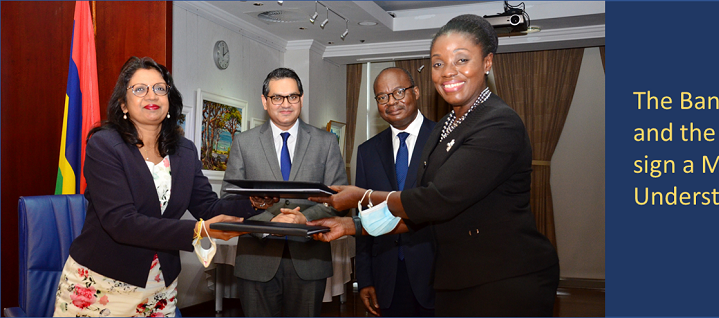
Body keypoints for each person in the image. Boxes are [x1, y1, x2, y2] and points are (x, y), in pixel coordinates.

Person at [308, 14, 559, 316]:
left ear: (487, 63)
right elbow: (420, 217)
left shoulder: (499, 123)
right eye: (438, 64)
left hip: (503, 279)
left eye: (462, 60)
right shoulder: (446, 128)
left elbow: (437, 201)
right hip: (456, 278)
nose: (448, 72)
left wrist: (360, 196)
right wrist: (350, 225)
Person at [53, 56, 269, 317]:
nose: (150, 95)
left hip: (160, 288)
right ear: (123, 103)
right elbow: (122, 222)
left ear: (168, 100)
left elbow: (208, 206)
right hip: (103, 285)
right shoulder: (104, 146)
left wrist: (256, 201)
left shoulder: (185, 151)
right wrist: (198, 230)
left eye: (159, 88)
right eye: (139, 89)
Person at [221, 67, 348, 317]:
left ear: (301, 98)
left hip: (309, 261)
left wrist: (304, 220)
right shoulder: (243, 143)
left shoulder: (326, 142)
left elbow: (338, 200)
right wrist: (271, 223)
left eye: (292, 96)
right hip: (256, 260)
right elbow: (229, 200)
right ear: (264, 101)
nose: (285, 104)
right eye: (277, 97)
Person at [355, 67, 436, 317]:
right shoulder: (367, 152)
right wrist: (365, 278)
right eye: (382, 96)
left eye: (398, 92)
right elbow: (363, 217)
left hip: (438, 272)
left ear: (417, 92)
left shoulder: (444, 140)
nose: (391, 101)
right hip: (387, 275)